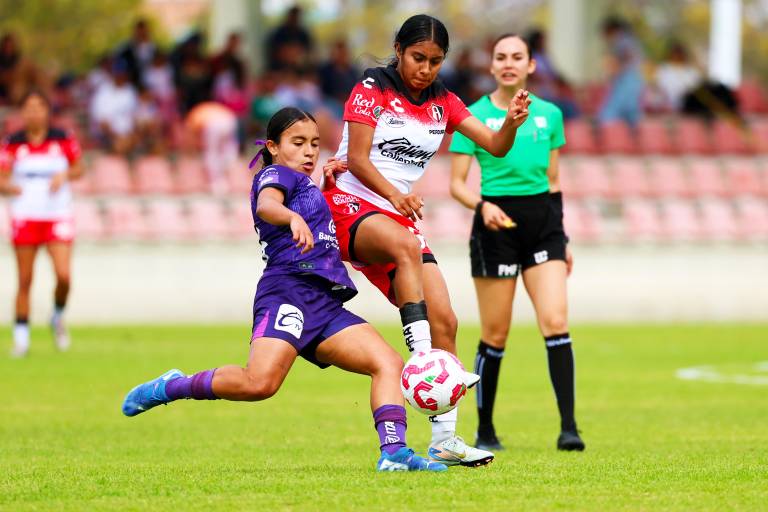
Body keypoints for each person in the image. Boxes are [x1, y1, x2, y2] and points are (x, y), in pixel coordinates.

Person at [121, 107, 446, 473]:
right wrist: (291, 217)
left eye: (315, 144)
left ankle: (395, 452)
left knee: (386, 363)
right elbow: (268, 205)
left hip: (324, 302)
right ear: (273, 147)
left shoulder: (304, 183)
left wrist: (324, 186)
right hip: (288, 292)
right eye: (298, 143)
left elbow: (310, 213)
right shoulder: (274, 175)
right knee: (259, 384)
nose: (309, 151)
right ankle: (173, 386)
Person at [322, 14, 530, 467]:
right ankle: (421, 360)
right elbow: (355, 159)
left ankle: (445, 440)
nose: (426, 68)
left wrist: (511, 122)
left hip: (398, 217)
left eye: (436, 61)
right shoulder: (371, 89)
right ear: (399, 50)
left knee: (447, 322)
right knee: (405, 247)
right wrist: (396, 194)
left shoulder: (446, 103)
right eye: (419, 57)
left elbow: (494, 146)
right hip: (348, 205)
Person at [448, 34, 585, 452]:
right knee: (495, 333)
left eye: (517, 57)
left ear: (531, 66)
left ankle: (569, 429)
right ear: (490, 67)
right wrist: (482, 206)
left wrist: (561, 237)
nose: (508, 63)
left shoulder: (549, 115)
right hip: (496, 227)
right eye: (500, 57)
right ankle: (485, 431)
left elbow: (555, 181)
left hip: (543, 226)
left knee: (556, 323)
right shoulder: (472, 116)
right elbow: (456, 184)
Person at [0, 89, 83, 357]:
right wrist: (9, 188)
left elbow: (79, 168)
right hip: (26, 216)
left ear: (48, 111)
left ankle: (57, 315)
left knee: (64, 275)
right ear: (22, 112)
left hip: (57, 214)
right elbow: (2, 178)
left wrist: (64, 175)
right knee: (25, 279)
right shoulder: (12, 143)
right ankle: (21, 338)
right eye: (29, 107)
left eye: (39, 107)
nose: (34, 112)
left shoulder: (63, 139)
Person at [598, 16, 645, 126]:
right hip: (634, 81)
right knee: (632, 116)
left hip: (627, 80)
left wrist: (615, 69)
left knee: (609, 115)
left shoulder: (621, 41)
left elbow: (628, 58)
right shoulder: (630, 40)